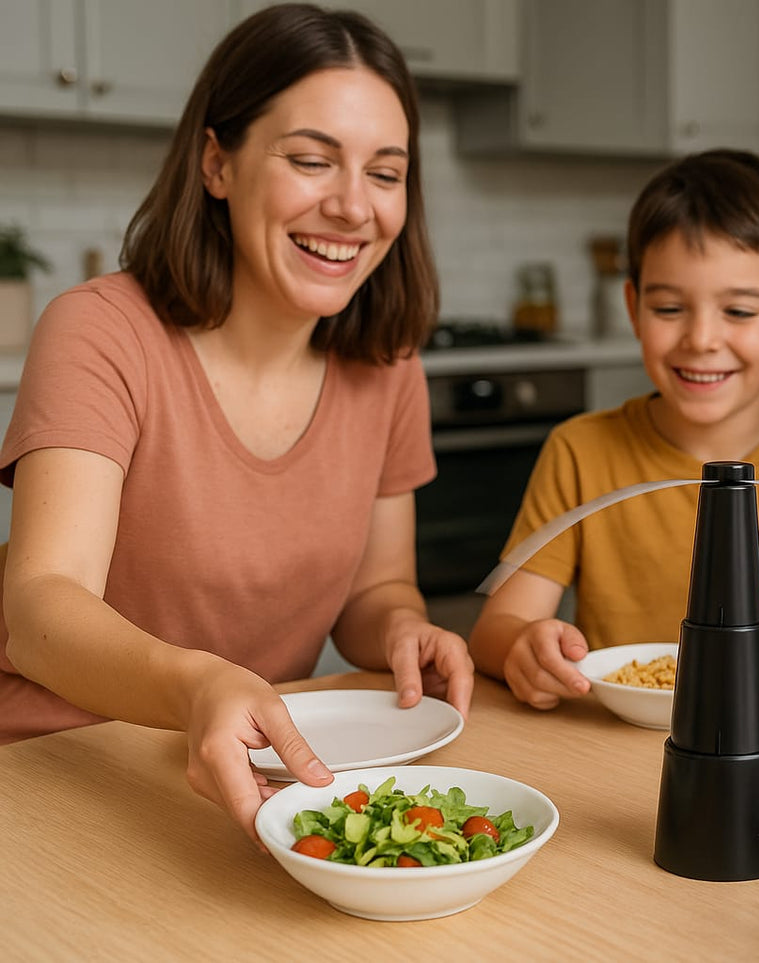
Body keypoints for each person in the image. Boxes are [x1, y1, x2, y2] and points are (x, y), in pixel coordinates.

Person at [0, 4, 474, 839]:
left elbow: (373, 590)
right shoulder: (102, 332)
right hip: (53, 768)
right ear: (217, 163)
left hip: (249, 779)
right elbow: (42, 609)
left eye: (385, 173)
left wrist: (404, 629)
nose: (353, 207)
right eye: (310, 160)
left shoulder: (388, 365)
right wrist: (197, 686)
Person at [470, 149, 759, 709]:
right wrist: (525, 646)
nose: (701, 338)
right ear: (633, 308)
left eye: (739, 312)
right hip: (610, 741)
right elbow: (495, 629)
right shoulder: (579, 450)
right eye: (670, 308)